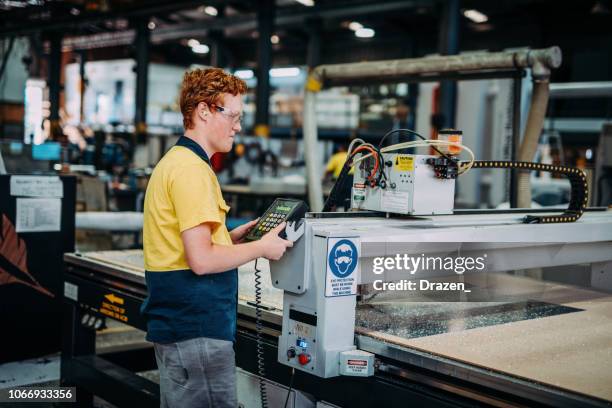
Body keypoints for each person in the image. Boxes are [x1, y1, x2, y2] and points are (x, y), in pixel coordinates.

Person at [141, 68, 293, 408]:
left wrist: (230, 239)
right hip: (196, 329)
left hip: (181, 327)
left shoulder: (176, 162)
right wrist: (262, 247)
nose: (238, 127)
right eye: (234, 116)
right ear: (204, 111)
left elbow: (194, 246)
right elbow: (202, 260)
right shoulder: (192, 171)